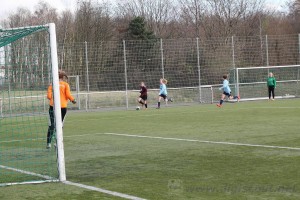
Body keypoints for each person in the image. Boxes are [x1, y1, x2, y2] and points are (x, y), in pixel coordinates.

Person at [46, 70, 76, 149]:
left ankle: (48, 143)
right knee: (60, 125)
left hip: (53, 106)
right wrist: (73, 100)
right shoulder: (65, 84)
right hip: (62, 107)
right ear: (63, 77)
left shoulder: (52, 84)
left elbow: (49, 96)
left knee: (51, 125)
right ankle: (57, 143)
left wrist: (53, 97)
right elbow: (68, 94)